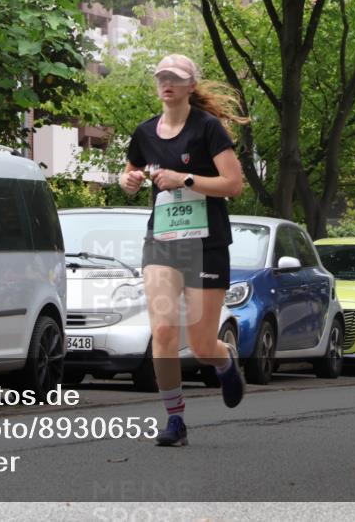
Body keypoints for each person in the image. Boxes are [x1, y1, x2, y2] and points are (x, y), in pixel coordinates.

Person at [118, 54, 247, 447]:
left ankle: (224, 361)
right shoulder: (144, 133)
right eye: (161, 78)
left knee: (202, 341)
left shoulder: (208, 130)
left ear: (191, 85)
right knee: (162, 330)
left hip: (206, 244)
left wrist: (185, 178)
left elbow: (233, 184)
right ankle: (175, 419)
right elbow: (129, 172)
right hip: (162, 241)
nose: (166, 84)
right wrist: (129, 180)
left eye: (175, 78)